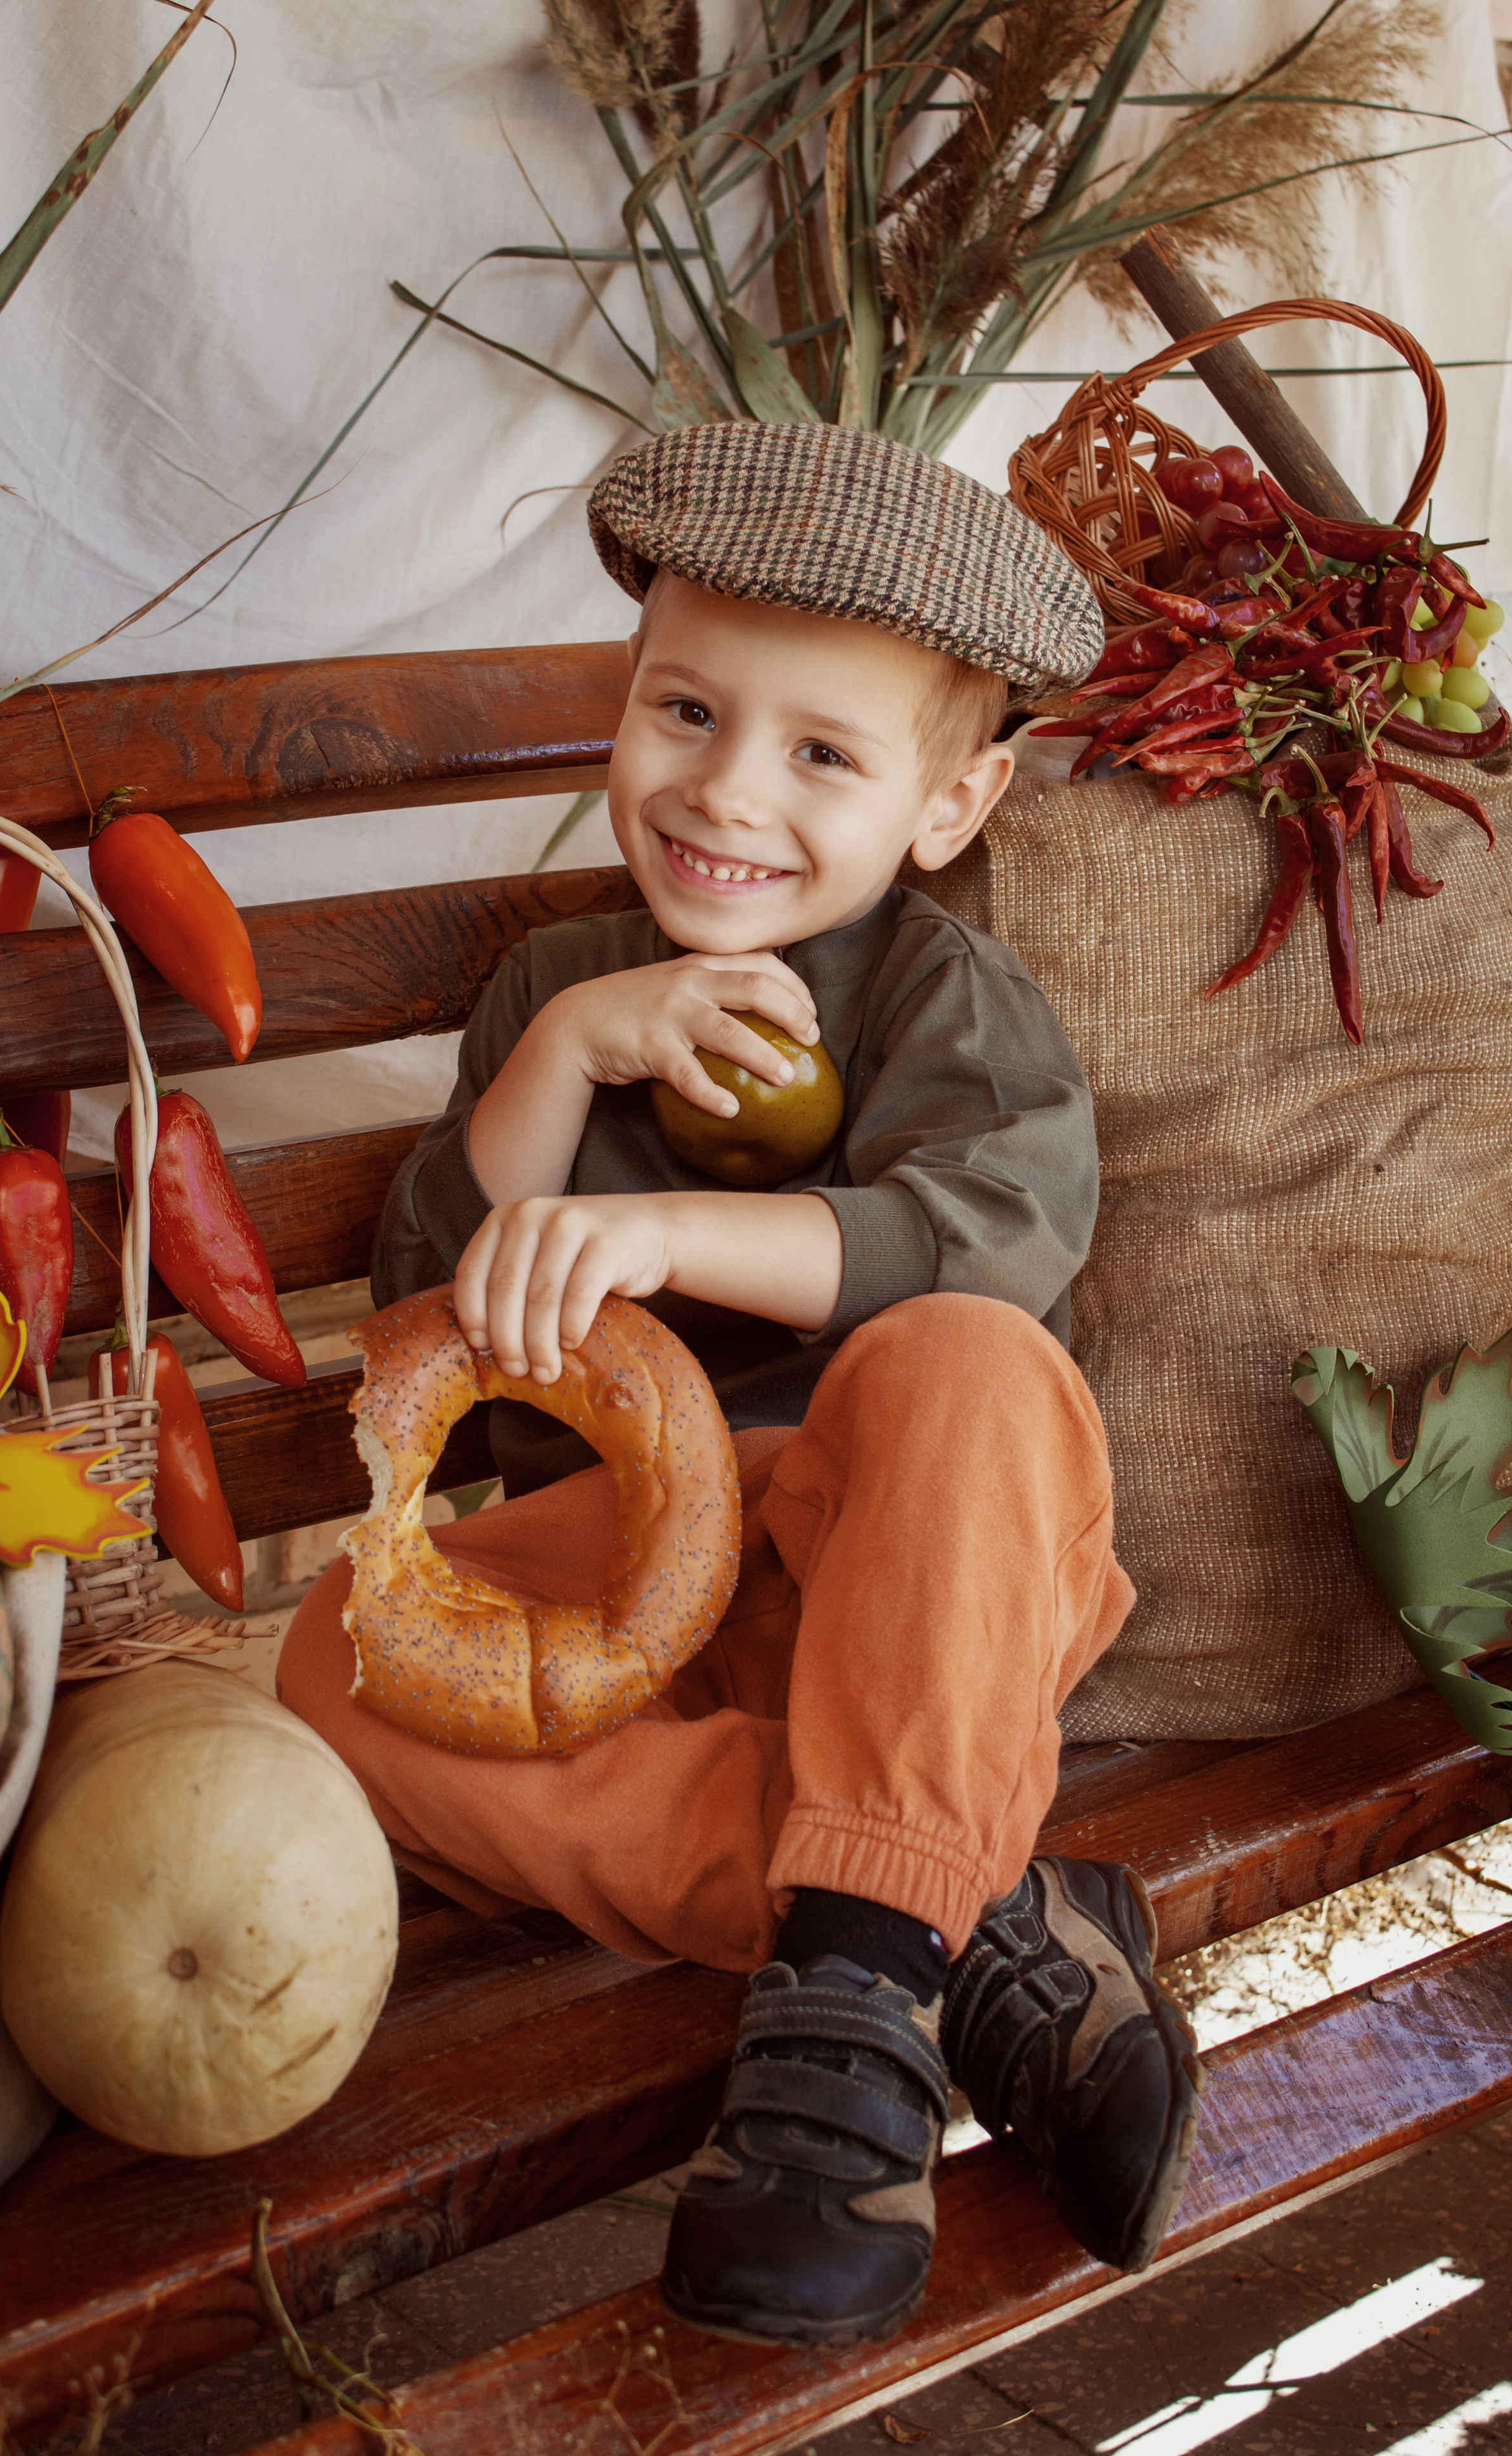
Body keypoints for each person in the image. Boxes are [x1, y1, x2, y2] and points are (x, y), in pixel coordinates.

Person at [278, 421, 1201, 2349]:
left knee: (973, 1362)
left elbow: (990, 1239)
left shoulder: (940, 995)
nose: (727, 793)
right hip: (628, 1603)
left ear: (950, 806)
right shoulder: (558, 995)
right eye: (686, 710)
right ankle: (966, 1933)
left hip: (895, 1586)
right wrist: (573, 1058)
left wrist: (674, 1238)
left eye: (822, 756)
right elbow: (442, 1306)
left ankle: (844, 2047)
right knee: (331, 1661)